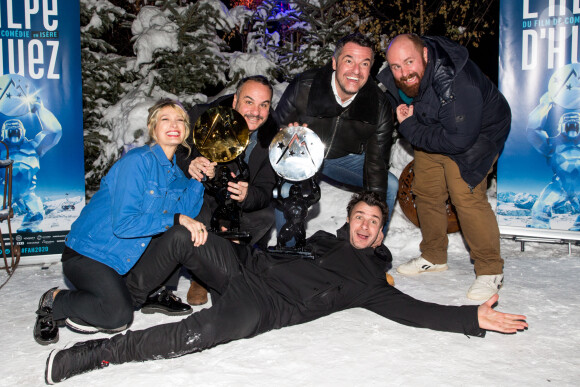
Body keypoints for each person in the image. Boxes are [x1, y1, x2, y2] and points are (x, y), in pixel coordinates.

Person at [43, 191, 527, 385]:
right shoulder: (320, 239)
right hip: (245, 267)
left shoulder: (368, 282)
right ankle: (122, 301)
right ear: (349, 221)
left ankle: (97, 354)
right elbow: (278, 235)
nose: (363, 226)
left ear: (380, 234)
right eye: (358, 216)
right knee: (182, 234)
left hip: (264, 306)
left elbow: (415, 311)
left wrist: (469, 318)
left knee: (200, 333)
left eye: (373, 222)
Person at [33, 99, 206, 346]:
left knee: (178, 235)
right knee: (118, 316)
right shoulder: (138, 161)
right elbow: (125, 224)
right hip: (90, 254)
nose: (174, 124)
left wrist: (198, 178)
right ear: (153, 127)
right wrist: (176, 217)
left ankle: (122, 296)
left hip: (125, 260)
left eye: (180, 120)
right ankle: (55, 301)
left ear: (186, 130)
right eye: (165, 119)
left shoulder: (176, 173)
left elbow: (186, 212)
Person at [377, 34, 512, 300]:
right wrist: (409, 119)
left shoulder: (458, 83)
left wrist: (410, 127)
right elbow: (400, 101)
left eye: (409, 62)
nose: (403, 73)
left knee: (465, 195)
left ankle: (490, 270)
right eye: (396, 66)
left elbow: (459, 140)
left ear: (425, 54)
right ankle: (434, 255)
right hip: (435, 123)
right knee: (426, 189)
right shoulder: (400, 74)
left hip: (477, 132)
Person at [167, 75, 278, 307]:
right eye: (249, 102)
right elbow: (174, 150)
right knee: (199, 216)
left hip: (233, 204)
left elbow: (265, 190)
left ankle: (225, 263)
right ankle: (202, 275)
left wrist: (247, 195)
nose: (256, 112)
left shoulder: (273, 137)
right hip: (201, 196)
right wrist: (191, 164)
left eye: (264, 105)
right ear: (236, 100)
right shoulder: (203, 116)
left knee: (265, 217)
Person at [274, 32, 398, 238]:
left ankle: (368, 248)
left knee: (390, 184)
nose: (356, 71)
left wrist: (373, 219)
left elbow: (377, 165)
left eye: (364, 64)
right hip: (304, 157)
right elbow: (274, 130)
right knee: (287, 190)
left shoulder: (379, 104)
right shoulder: (304, 86)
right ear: (334, 62)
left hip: (342, 159)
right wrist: (286, 136)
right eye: (349, 60)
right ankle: (287, 252)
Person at [0, 96, 62, 232]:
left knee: (37, 216)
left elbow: (55, 132)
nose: (14, 135)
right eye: (10, 132)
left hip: (27, 193)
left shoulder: (33, 146)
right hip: (2, 193)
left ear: (22, 131)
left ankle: (27, 234)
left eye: (16, 131)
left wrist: (40, 110)